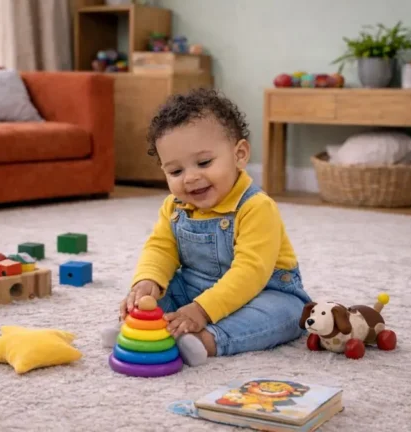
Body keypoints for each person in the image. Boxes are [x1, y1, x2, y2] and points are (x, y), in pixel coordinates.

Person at [102, 88, 312, 366]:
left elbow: (250, 273)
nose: (190, 178)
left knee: (289, 315)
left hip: (263, 291)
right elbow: (160, 248)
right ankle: (140, 329)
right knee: (154, 295)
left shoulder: (257, 207)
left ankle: (207, 339)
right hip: (194, 288)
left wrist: (202, 311)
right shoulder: (174, 207)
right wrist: (147, 282)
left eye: (204, 163)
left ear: (239, 154)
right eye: (175, 171)